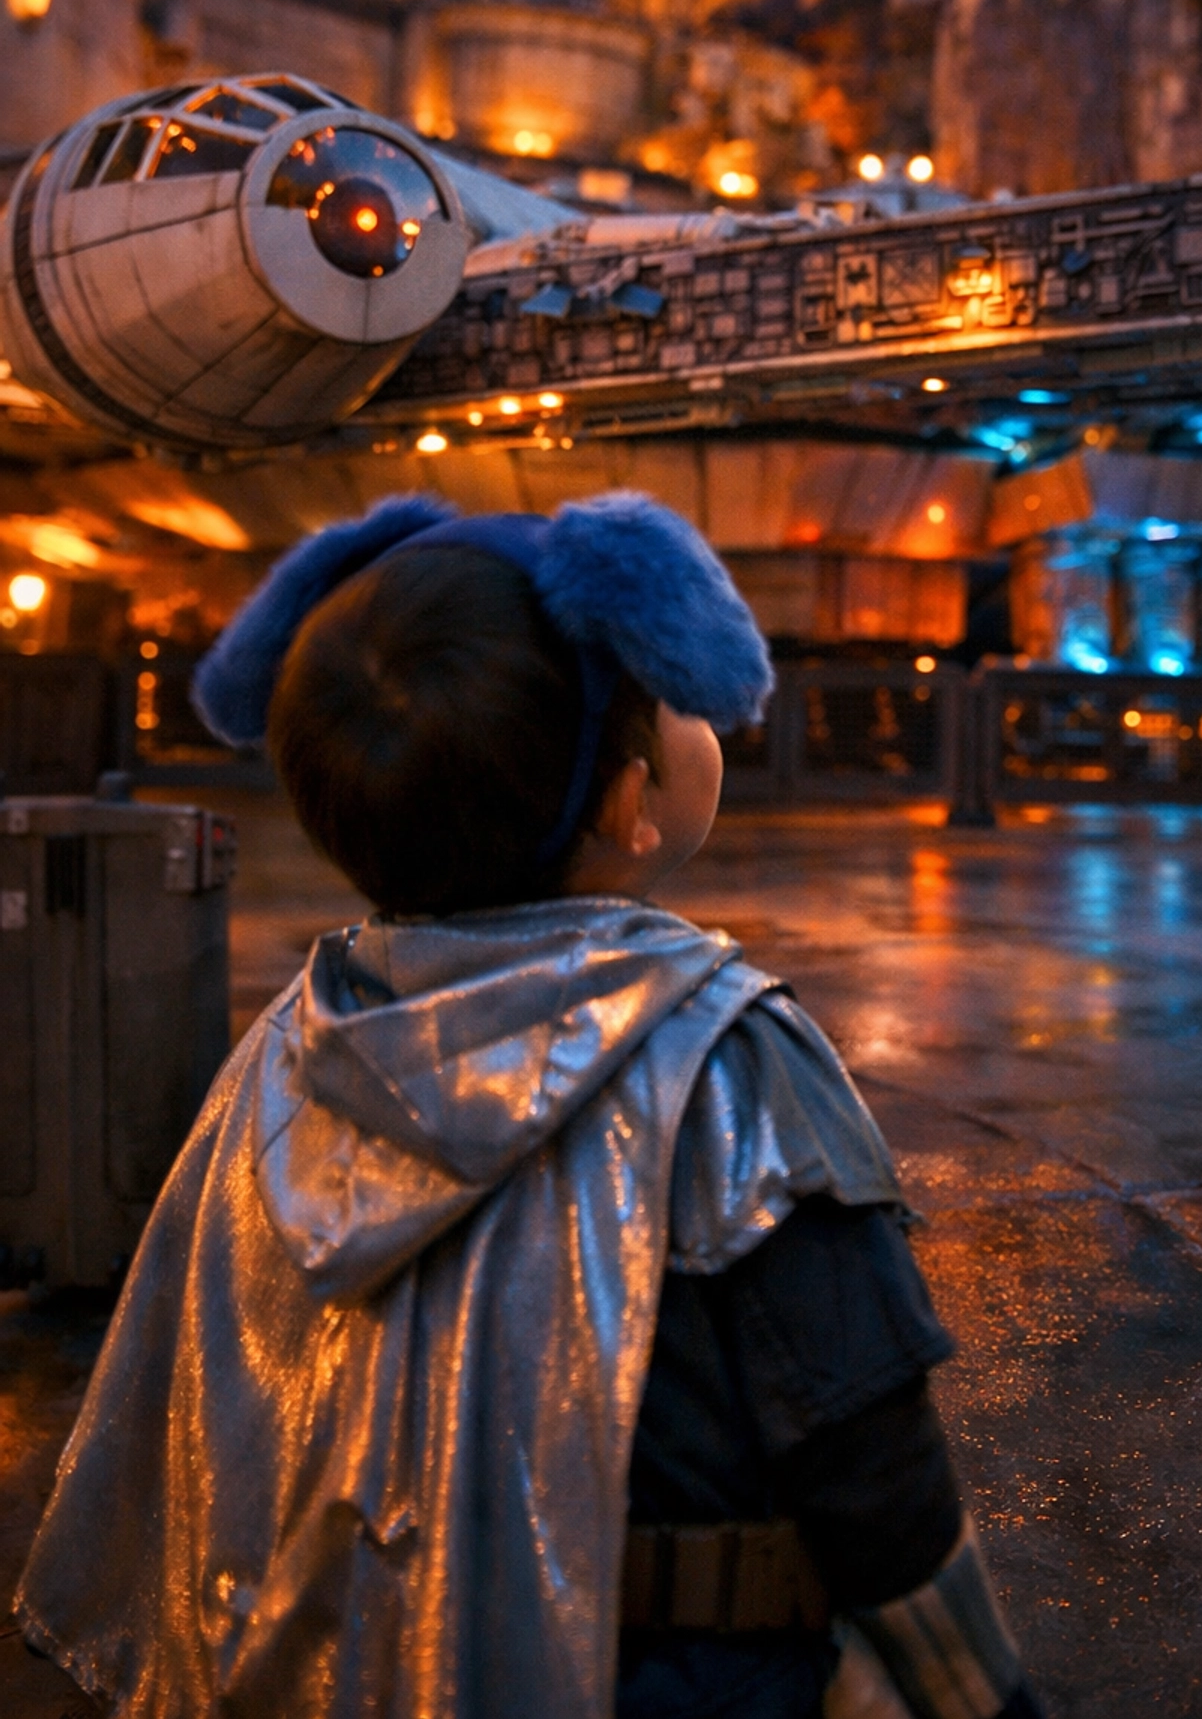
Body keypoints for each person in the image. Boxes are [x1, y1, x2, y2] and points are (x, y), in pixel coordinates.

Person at [18, 492, 1044, 1719]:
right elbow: (869, 1459)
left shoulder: (287, 1049)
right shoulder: (721, 1056)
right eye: (672, 702)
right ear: (629, 800)